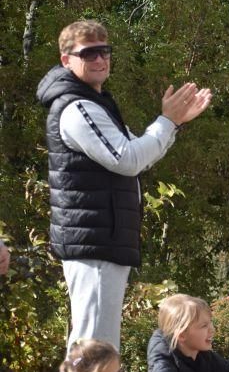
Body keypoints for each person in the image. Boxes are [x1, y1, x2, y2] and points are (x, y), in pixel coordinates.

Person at [36, 20, 212, 351]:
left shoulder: (96, 102)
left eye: (104, 51)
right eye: (89, 53)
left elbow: (140, 156)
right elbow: (128, 158)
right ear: (66, 60)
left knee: (96, 346)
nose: (100, 59)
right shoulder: (77, 108)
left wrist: (173, 124)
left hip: (103, 239)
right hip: (93, 243)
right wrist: (168, 121)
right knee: (95, 347)